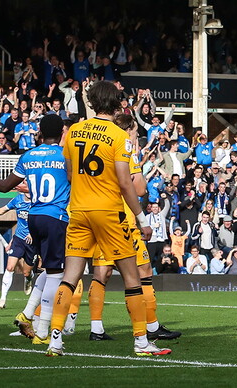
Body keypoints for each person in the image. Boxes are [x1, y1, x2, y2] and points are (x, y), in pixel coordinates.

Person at [44, 81, 168, 357]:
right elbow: (125, 182)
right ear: (116, 103)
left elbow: (69, 173)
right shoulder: (118, 135)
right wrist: (142, 218)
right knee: (132, 278)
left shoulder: (74, 131)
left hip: (78, 211)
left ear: (91, 101)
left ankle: (55, 339)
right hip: (109, 212)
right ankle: (141, 341)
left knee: (70, 277)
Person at [69, 112, 180, 342]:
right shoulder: (124, 149)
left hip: (97, 215)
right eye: (135, 132)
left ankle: (96, 328)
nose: (136, 136)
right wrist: (138, 167)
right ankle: (149, 327)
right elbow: (139, 189)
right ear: (128, 130)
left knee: (102, 273)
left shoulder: (102, 146)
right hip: (124, 220)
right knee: (143, 271)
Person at [0, 114, 73, 345]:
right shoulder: (65, 155)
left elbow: (5, 186)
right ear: (62, 133)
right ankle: (42, 332)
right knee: (57, 273)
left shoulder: (28, 155)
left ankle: (27, 314)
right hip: (55, 216)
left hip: (33, 217)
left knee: (48, 271)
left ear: (40, 133)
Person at [0, 192, 35, 310]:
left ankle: (29, 278)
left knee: (26, 272)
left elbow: (43, 220)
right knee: (10, 267)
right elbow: (2, 210)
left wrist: (34, 233)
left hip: (32, 241)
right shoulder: (18, 200)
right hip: (18, 239)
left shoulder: (38, 200)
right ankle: (2, 299)